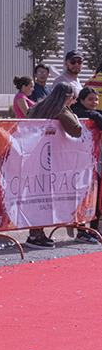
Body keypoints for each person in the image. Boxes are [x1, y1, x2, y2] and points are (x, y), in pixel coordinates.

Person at [25, 83, 81, 249]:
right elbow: (76, 130)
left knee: (35, 197)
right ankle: (35, 235)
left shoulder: (37, 107)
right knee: (45, 198)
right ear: (68, 97)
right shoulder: (60, 109)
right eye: (73, 98)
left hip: (31, 155)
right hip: (49, 160)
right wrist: (73, 114)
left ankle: (37, 232)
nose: (73, 101)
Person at [70, 86, 102, 245]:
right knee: (82, 198)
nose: (94, 102)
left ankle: (94, 230)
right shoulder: (76, 113)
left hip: (95, 162)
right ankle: (81, 231)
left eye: (96, 99)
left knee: (96, 197)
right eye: (90, 99)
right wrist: (96, 115)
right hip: (79, 164)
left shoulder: (96, 113)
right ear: (81, 100)